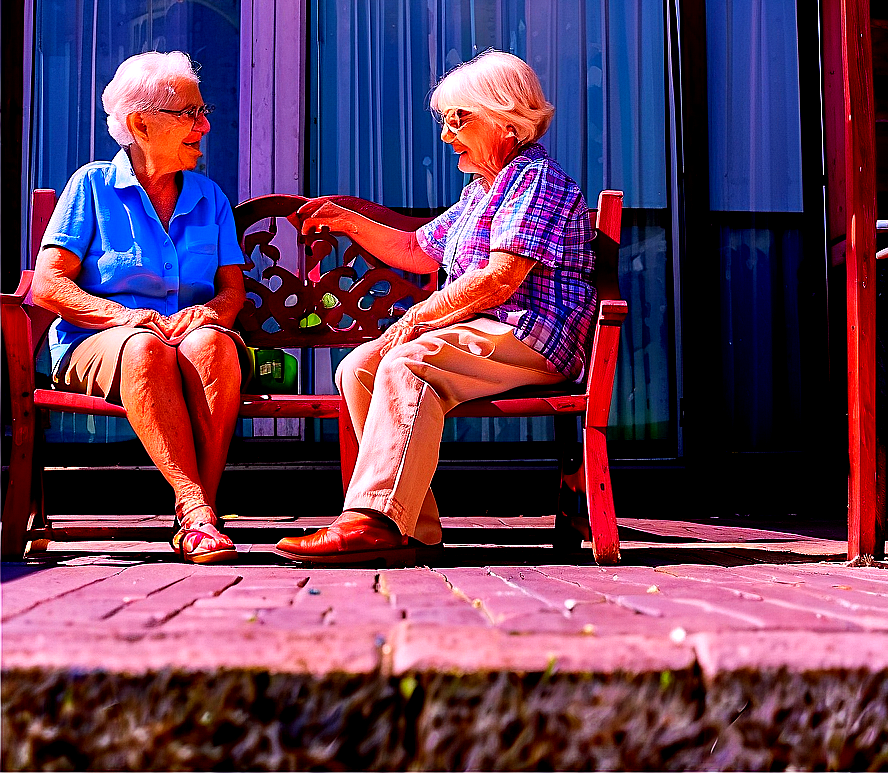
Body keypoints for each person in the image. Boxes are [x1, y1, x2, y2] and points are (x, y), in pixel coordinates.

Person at [275, 50, 597, 566]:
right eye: (445, 121)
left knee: (406, 361)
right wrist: (345, 220)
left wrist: (414, 320)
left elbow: (498, 279)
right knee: (359, 367)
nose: (446, 136)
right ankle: (414, 526)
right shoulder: (485, 187)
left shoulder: (535, 179)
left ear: (505, 118)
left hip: (533, 333)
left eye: (458, 119)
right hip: (490, 331)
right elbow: (416, 250)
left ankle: (371, 520)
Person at [32, 51, 249, 564]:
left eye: (203, 110)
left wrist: (211, 313)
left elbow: (232, 291)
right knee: (145, 347)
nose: (205, 124)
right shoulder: (91, 186)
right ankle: (195, 507)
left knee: (213, 344)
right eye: (189, 114)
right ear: (140, 124)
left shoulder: (209, 197)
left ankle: (199, 517)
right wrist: (126, 317)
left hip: (188, 338)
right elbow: (48, 285)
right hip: (101, 340)